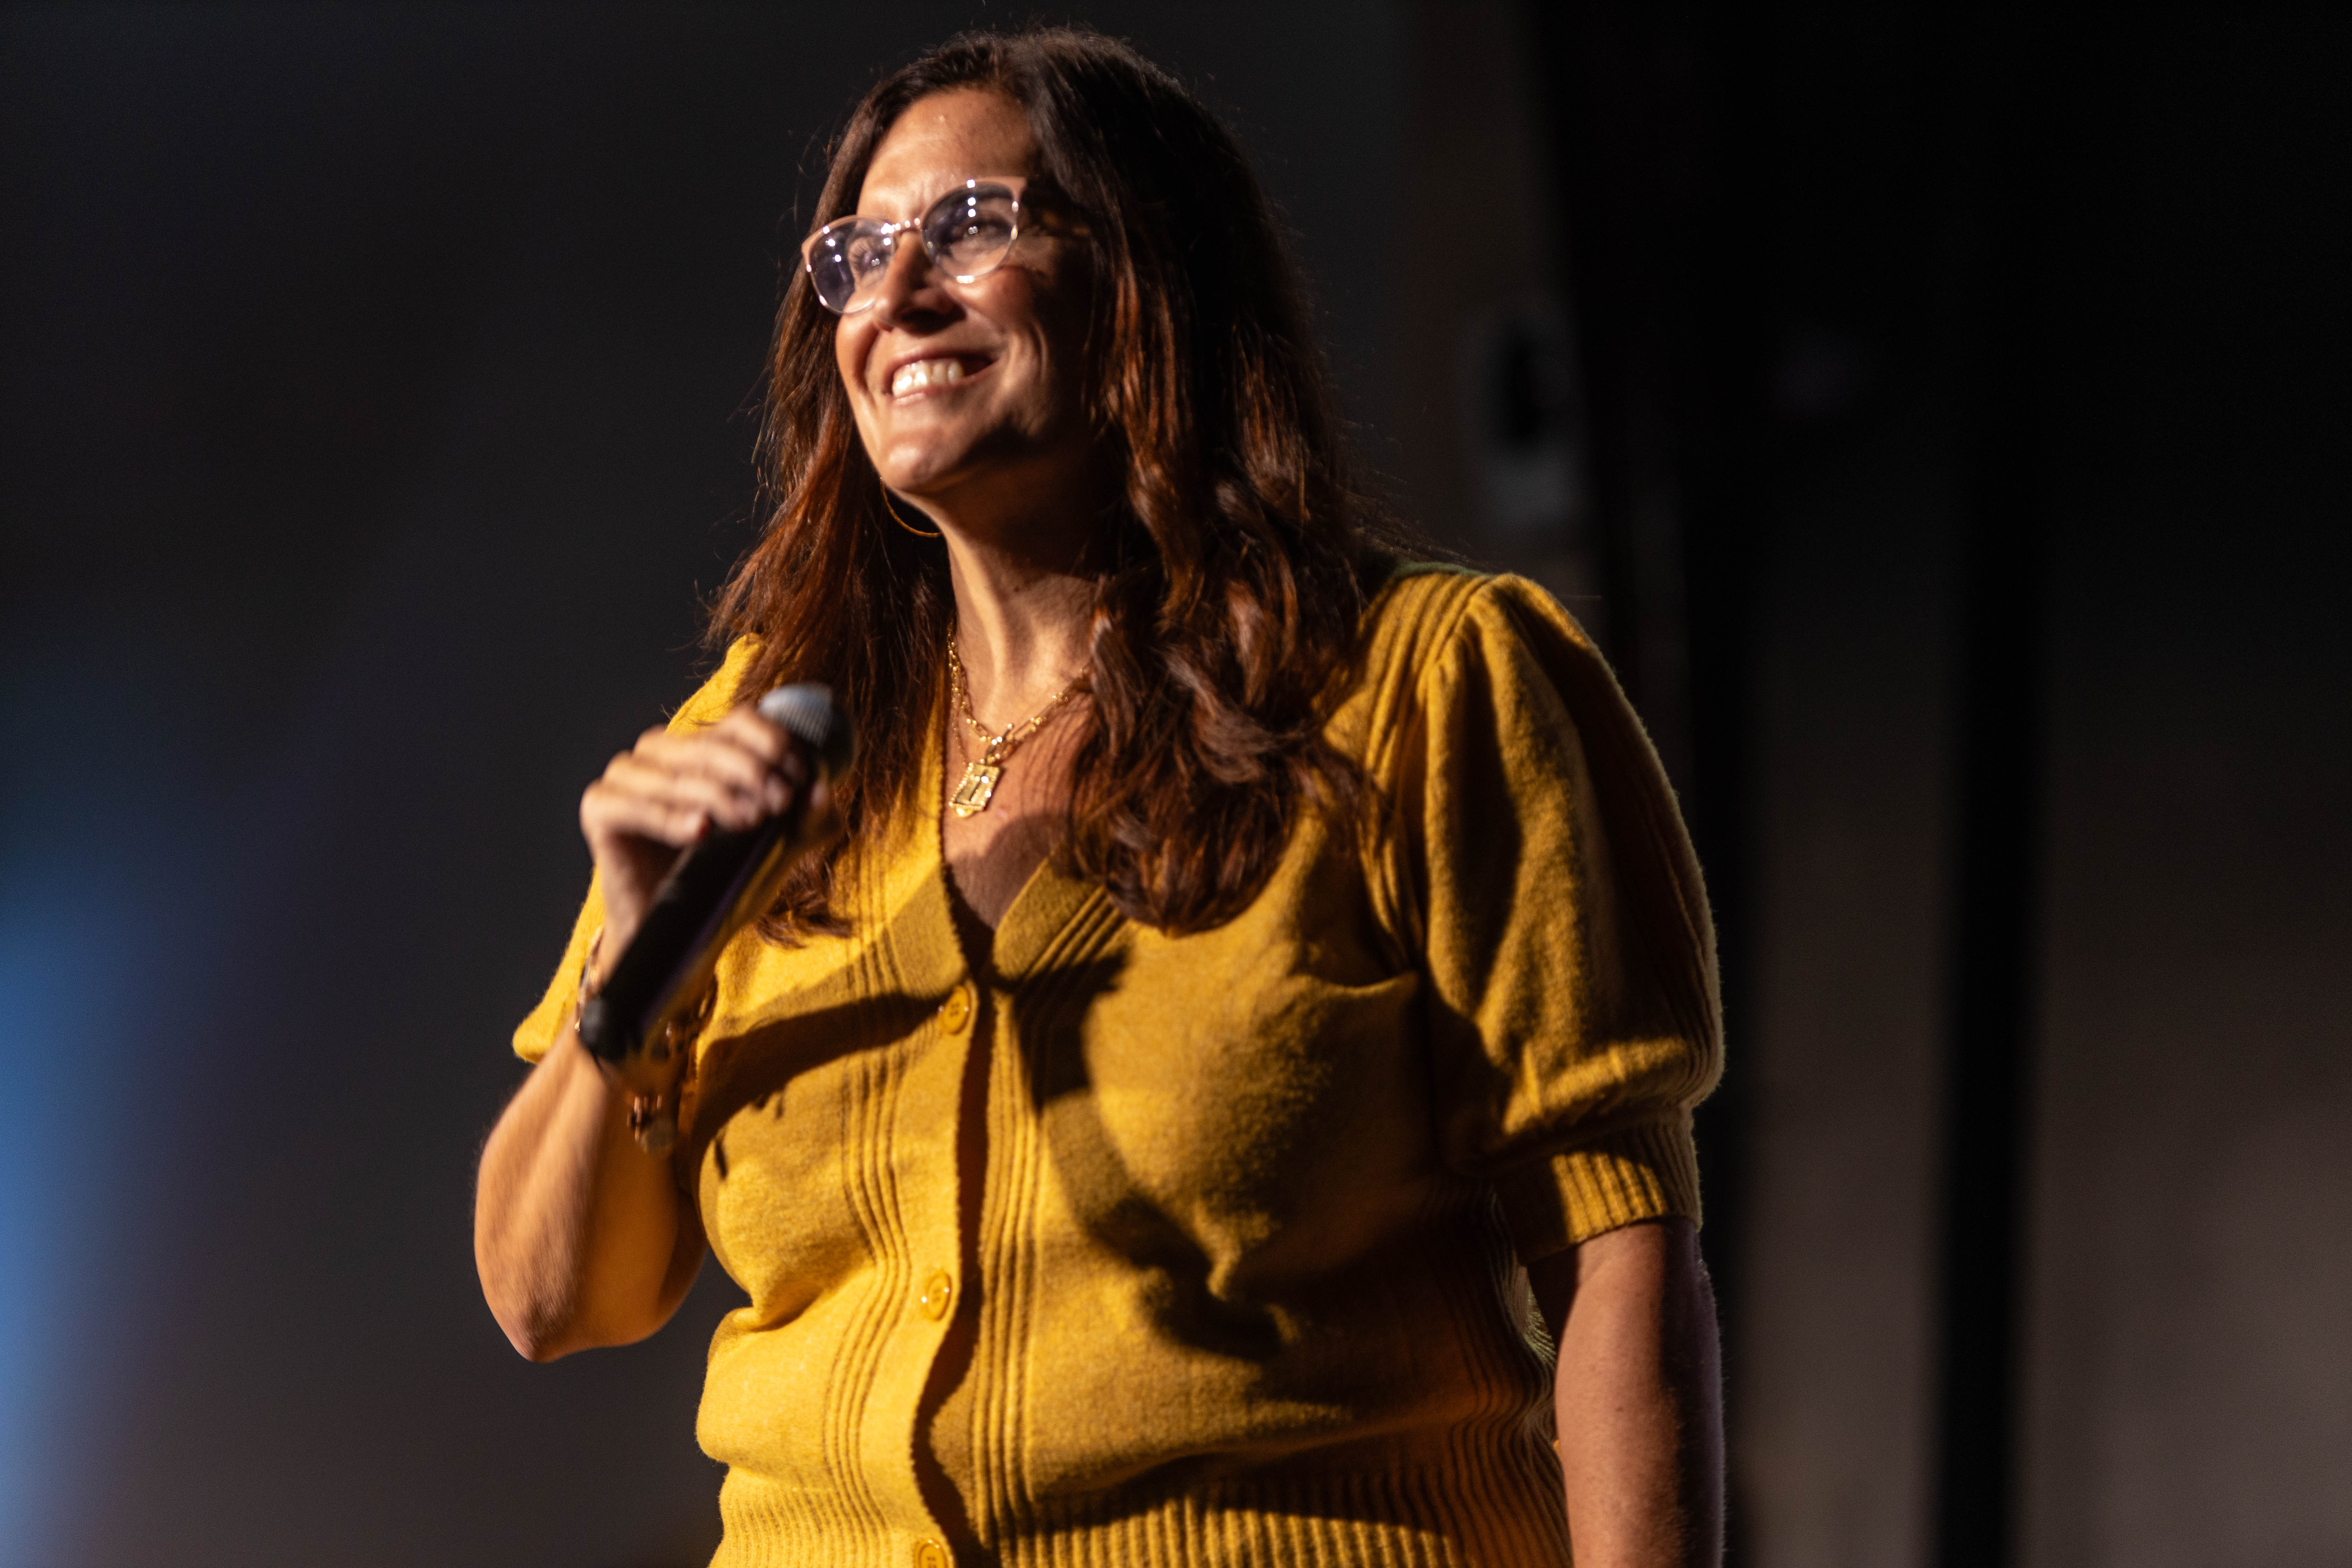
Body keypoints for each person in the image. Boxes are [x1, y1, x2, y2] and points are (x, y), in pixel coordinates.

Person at [475, 25, 1724, 1568]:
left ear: (1145, 283)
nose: (898, 292)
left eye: (971, 226)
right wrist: (630, 979)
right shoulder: (760, 740)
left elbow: (1621, 1265)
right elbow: (550, 1299)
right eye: (858, 254)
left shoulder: (1429, 683)